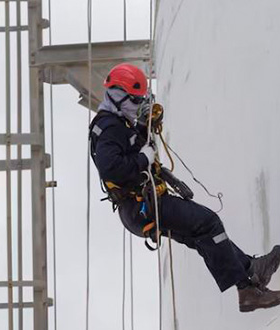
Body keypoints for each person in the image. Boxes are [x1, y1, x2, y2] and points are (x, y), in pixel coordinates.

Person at [89, 63, 280, 313]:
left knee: (202, 235)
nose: (138, 105)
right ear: (118, 96)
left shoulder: (118, 122)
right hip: (142, 205)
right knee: (208, 223)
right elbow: (111, 167)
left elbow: (130, 145)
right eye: (136, 100)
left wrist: (146, 126)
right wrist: (144, 159)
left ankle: (250, 270)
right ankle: (247, 290)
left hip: (141, 206)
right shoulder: (110, 126)